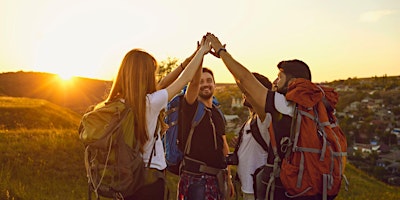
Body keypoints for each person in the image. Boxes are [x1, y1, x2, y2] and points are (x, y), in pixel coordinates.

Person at [206, 33, 327, 200]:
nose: (275, 82)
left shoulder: (283, 105)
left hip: (273, 190)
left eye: (279, 77)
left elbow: (245, 80)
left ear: (292, 83)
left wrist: (221, 51)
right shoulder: (303, 109)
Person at [102, 35, 211, 200]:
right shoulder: (149, 103)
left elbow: (164, 83)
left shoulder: (116, 103)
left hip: (126, 178)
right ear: (144, 75)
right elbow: (186, 79)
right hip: (150, 179)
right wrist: (202, 51)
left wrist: (191, 57)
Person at [178, 67, 235, 200]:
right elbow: (193, 84)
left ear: (214, 84)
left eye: (209, 80)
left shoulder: (217, 112)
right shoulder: (190, 108)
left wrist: (229, 178)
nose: (205, 84)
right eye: (201, 81)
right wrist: (201, 53)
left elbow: (224, 146)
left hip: (216, 179)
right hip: (196, 179)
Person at [235, 73, 273, 200]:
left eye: (249, 89)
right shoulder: (251, 121)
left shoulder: (265, 119)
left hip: (258, 190)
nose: (245, 92)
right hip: (248, 187)